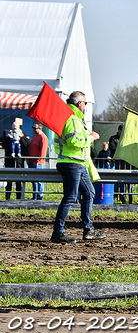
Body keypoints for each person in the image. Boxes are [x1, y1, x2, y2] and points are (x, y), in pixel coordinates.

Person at [51, 91, 106, 244]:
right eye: (85, 103)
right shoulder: (71, 119)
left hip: (75, 163)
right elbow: (74, 142)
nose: (86, 106)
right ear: (79, 104)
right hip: (72, 163)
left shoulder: (72, 117)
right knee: (70, 197)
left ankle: (88, 229)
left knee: (89, 193)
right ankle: (58, 232)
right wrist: (90, 138)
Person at [2, 128, 29, 199]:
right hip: (9, 162)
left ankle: (19, 198)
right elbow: (4, 145)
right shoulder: (9, 134)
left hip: (19, 163)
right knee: (9, 182)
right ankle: (7, 197)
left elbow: (26, 145)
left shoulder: (23, 134)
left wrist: (21, 137)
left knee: (18, 182)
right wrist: (9, 138)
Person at [27, 123, 48, 200]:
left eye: (35, 128)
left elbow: (43, 150)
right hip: (32, 160)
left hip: (38, 162)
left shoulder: (43, 137)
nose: (33, 130)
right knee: (34, 180)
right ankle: (34, 195)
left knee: (39, 180)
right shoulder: (35, 136)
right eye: (33, 128)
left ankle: (39, 196)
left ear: (40, 128)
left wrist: (39, 160)